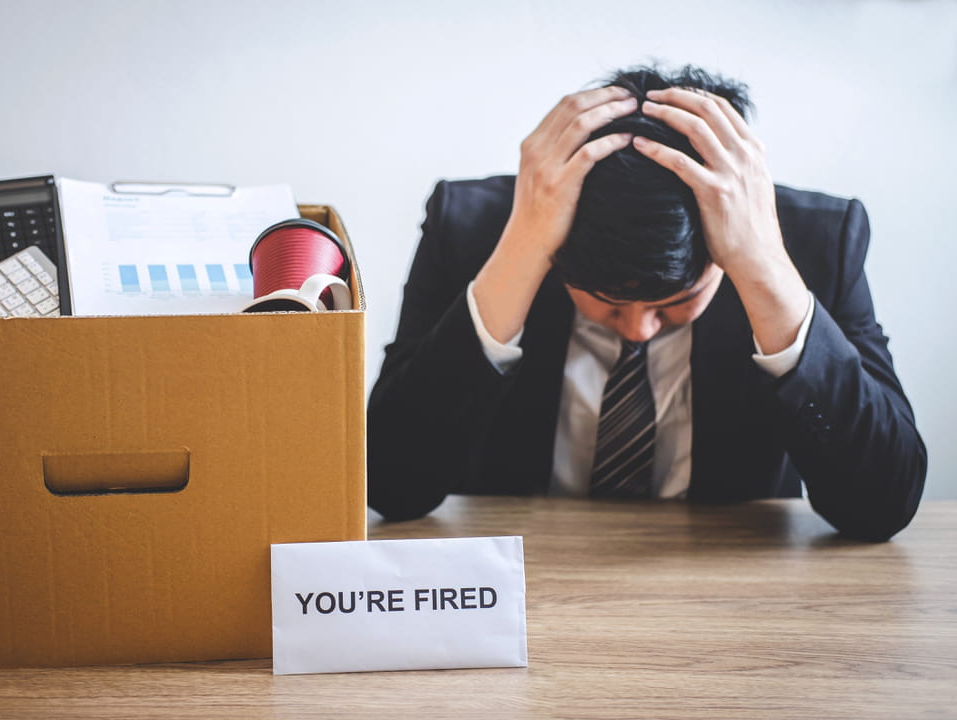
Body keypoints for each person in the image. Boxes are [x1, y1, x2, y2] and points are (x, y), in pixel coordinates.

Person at [367, 65, 926, 541]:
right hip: (521, 572)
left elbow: (882, 506)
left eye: (677, 302)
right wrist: (525, 249)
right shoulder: (471, 229)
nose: (638, 329)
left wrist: (763, 268)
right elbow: (391, 485)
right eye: (607, 304)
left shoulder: (818, 244)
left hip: (736, 590)